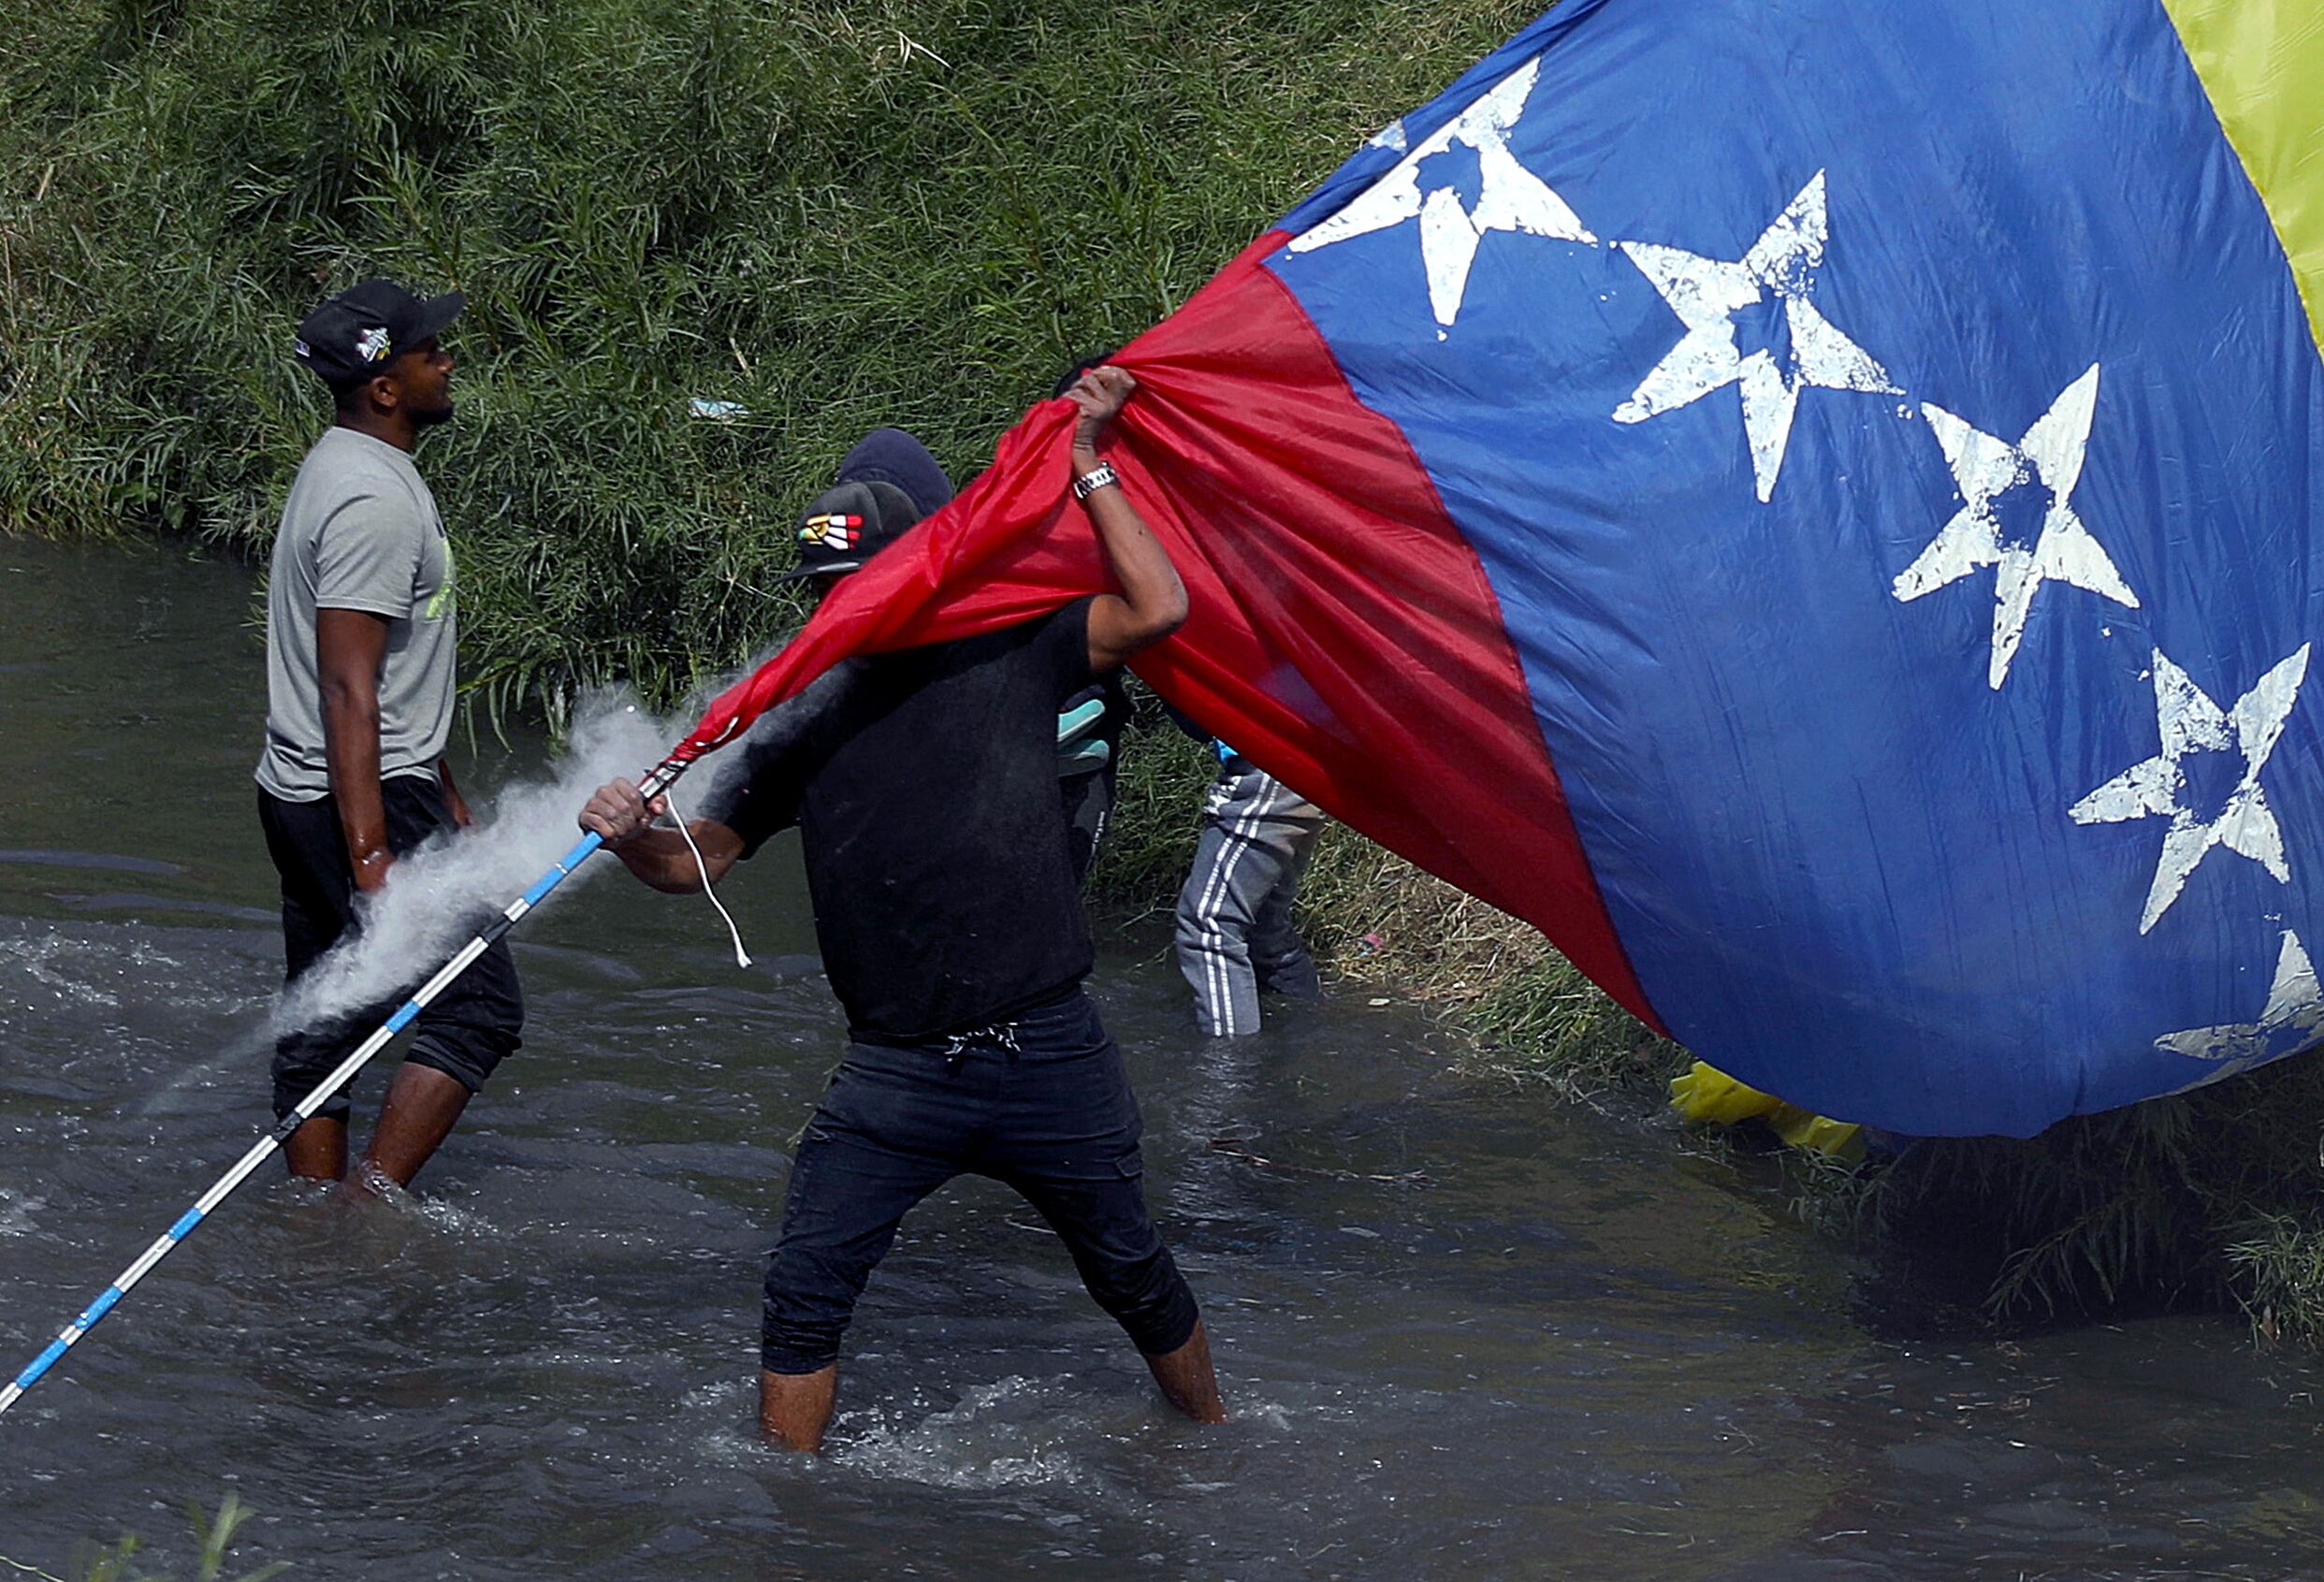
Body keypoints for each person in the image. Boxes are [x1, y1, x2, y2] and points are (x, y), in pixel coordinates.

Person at [579, 369, 1225, 1450]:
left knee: (1131, 1270)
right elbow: (700, 862)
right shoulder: (802, 712)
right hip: (895, 1070)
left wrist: (1087, 463)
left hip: (1047, 1048)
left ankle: (1215, 1440)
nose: (844, 609)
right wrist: (630, 833)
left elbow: (1160, 605)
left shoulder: (1016, 646)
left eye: (863, 584)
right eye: (826, 592)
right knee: (803, 1291)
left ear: (925, 567)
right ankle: (788, 1511)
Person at [255, 279, 523, 1189]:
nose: (448, 362)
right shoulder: (373, 500)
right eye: (429, 352)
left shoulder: (344, 464)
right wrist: (372, 856)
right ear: (383, 386)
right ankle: (368, 1216)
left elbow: (388, 670)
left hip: (307, 788)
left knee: (325, 1016)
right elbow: (348, 684)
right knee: (477, 1007)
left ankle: (312, 1222)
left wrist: (448, 791)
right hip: (363, 798)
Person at [1174, 745, 1328, 1037]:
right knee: (1266, 929)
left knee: (1209, 927)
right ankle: (1312, 1036)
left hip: (1268, 767)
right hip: (1302, 768)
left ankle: (1232, 1059)